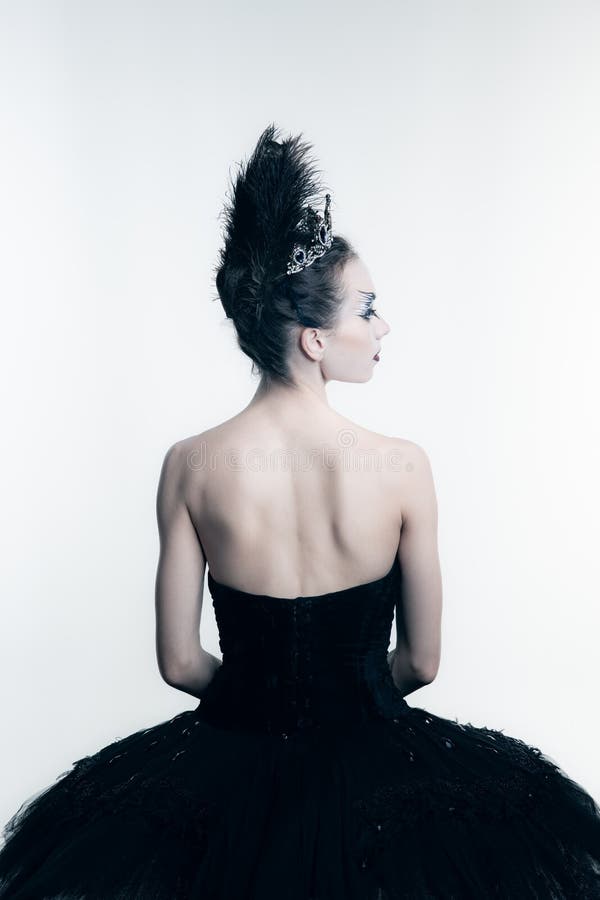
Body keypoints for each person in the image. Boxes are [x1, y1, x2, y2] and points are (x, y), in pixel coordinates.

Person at [1, 124, 599, 900]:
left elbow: (179, 663)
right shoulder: (404, 467)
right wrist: (352, 701)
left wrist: (260, 701)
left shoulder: (190, 466)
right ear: (315, 339)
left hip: (228, 755)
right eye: (369, 309)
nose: (383, 327)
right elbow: (420, 663)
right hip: (380, 761)